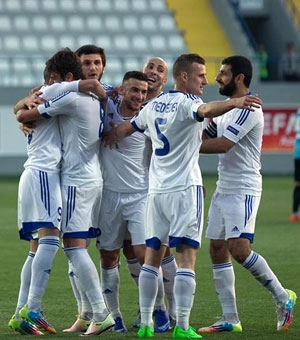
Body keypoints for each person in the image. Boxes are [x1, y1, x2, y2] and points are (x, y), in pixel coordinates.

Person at [103, 53, 263, 339]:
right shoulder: (188, 104)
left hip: (155, 193)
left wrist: (108, 136)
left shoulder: (152, 107)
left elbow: (128, 128)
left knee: (151, 257)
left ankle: (147, 326)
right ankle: (183, 326)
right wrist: (235, 102)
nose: (205, 80)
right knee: (186, 257)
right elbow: (206, 110)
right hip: (185, 191)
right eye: (200, 75)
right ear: (184, 76)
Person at [15, 49, 115, 336]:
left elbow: (25, 113)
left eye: (97, 63)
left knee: (70, 247)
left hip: (74, 180)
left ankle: (94, 311)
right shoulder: (94, 97)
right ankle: (92, 312)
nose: (93, 69)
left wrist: (24, 110)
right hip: (88, 178)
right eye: (87, 63)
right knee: (66, 247)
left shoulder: (70, 98)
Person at [197, 55, 297, 334]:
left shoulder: (248, 108)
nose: (218, 78)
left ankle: (283, 297)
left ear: (239, 78)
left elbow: (223, 144)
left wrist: (184, 148)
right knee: (216, 248)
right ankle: (230, 317)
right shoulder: (227, 109)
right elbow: (205, 136)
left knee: (239, 250)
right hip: (224, 184)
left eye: (224, 73)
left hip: (244, 187)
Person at [290, 106, 300, 222]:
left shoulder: (298, 111)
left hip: (298, 151)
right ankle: (294, 213)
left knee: (298, 183)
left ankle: (294, 213)